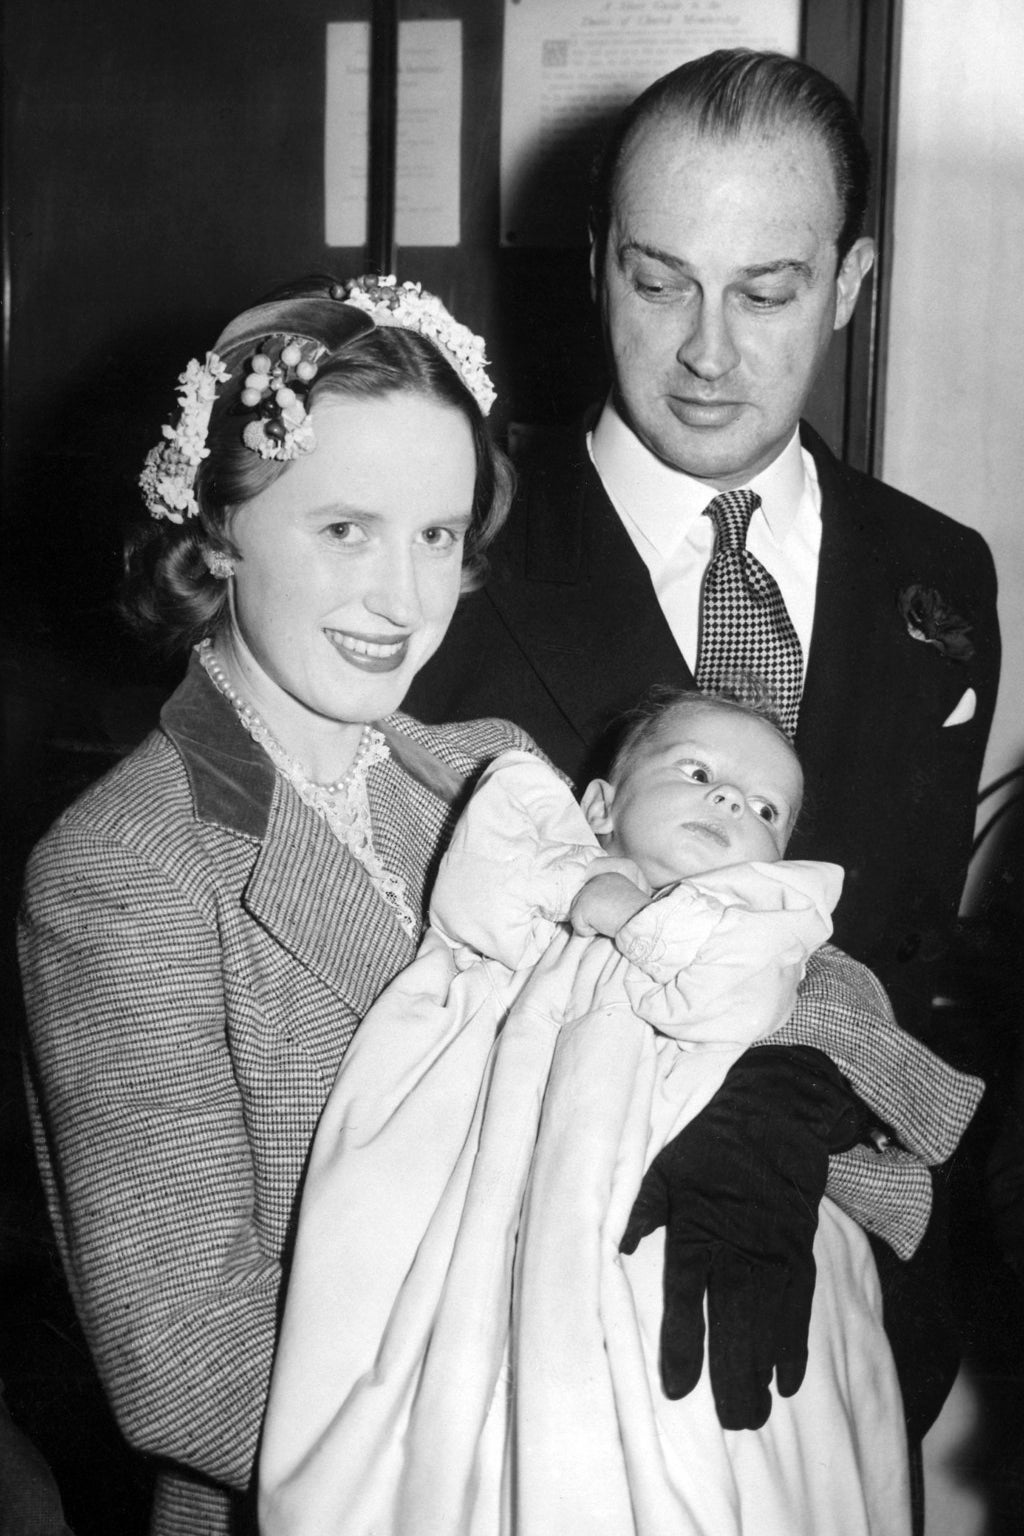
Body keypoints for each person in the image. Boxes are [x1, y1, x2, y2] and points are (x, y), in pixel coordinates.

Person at [404, 48, 1001, 1455]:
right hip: (533, 1355)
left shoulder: (939, 576)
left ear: (852, 284)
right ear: (597, 264)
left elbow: (911, 959)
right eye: (660, 280)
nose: (708, 353)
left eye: (769, 289)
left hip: (837, 1337)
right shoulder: (448, 536)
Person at [16, 273, 541, 1536]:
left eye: (435, 535)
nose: (403, 600)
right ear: (216, 530)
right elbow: (191, 1369)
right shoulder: (121, 871)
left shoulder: (495, 777)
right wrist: (549, 1442)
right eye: (344, 529)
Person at [259, 689, 980, 1536]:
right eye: (699, 772)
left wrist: (645, 924)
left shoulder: (766, 925)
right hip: (499, 1169)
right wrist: (588, 884)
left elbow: (735, 998)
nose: (728, 803)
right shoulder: (537, 839)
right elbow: (480, 883)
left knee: (715, 1417)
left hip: (678, 1204)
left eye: (764, 809)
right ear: (599, 802)